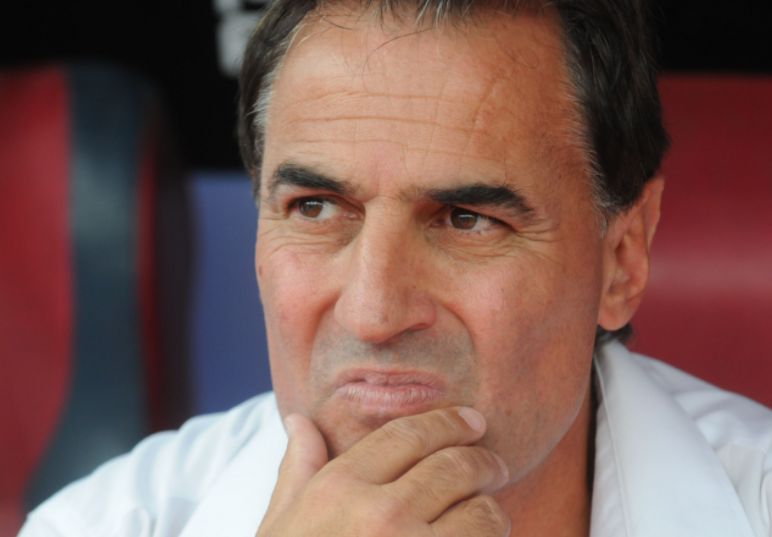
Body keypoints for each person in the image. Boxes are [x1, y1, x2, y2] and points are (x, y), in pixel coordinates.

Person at [19, 0, 772, 536]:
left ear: (621, 259)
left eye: (467, 219)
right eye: (316, 208)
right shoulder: (102, 523)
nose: (373, 313)